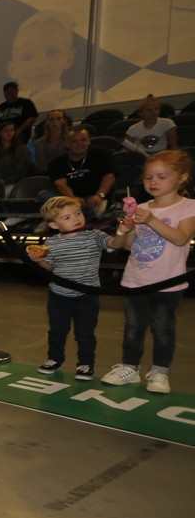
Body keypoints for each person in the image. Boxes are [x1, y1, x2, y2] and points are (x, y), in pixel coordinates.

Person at [101, 150, 195, 394]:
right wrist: (128, 228)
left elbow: (181, 238)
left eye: (162, 177)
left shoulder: (188, 207)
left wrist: (151, 220)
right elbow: (130, 246)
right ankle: (129, 368)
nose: (153, 182)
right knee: (133, 328)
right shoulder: (140, 207)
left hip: (168, 282)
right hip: (136, 279)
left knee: (163, 329)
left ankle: (160, 372)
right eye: (148, 177)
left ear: (182, 177)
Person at [26, 196, 121, 381]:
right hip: (58, 295)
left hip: (87, 295)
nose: (76, 219)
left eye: (78, 213)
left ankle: (85, 364)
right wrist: (40, 261)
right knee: (57, 330)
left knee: (85, 333)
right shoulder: (52, 244)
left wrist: (122, 231)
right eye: (67, 217)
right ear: (54, 225)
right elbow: (51, 268)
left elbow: (115, 244)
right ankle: (54, 359)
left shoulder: (94, 235)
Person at [6, 10, 80, 111]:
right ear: (12, 69)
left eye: (52, 53)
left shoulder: (78, 100)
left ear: (69, 59)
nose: (40, 64)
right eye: (28, 57)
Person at [46, 126, 115, 219]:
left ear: (89, 141)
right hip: (70, 201)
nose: (79, 144)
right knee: (44, 194)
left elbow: (109, 177)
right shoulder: (56, 163)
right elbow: (60, 184)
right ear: (67, 144)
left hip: (99, 198)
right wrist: (72, 198)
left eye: (83, 140)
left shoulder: (103, 155)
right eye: (74, 141)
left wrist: (99, 196)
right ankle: (86, 215)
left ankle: (78, 216)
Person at [0, 120, 33, 187]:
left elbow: (20, 172)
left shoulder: (22, 150)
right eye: (6, 131)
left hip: (12, 183)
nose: (9, 133)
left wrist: (5, 182)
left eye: (12, 130)